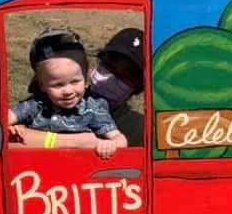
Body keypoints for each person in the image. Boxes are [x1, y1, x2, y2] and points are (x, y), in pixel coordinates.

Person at [12, 27, 146, 149]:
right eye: (109, 66)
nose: (111, 78)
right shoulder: (43, 103)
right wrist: (78, 141)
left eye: (126, 76)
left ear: (138, 87)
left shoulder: (139, 128)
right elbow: (6, 139)